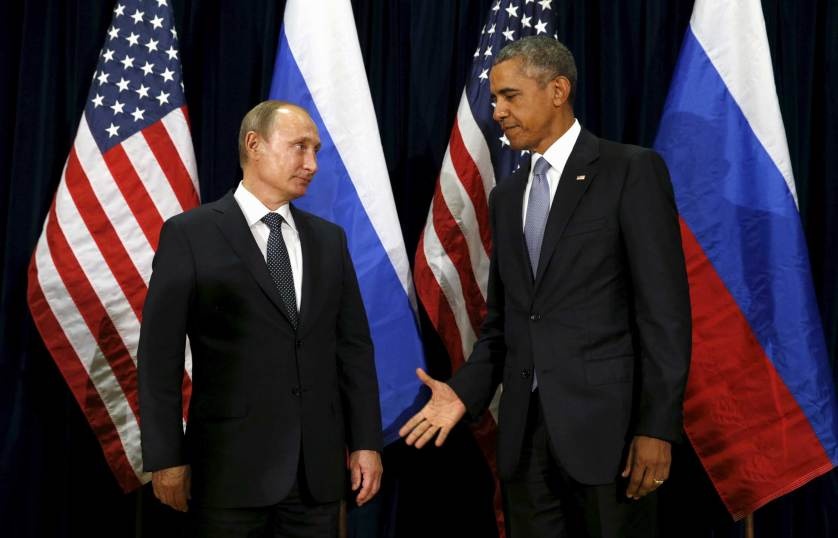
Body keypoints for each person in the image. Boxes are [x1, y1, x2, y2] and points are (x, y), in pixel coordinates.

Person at [400, 36, 691, 537]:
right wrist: (463, 393)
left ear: (558, 90)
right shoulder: (508, 196)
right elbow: (504, 325)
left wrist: (656, 428)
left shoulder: (629, 171)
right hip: (525, 442)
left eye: (509, 96)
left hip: (611, 439)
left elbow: (664, 314)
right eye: (495, 99)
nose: (497, 111)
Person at [138, 100, 383, 536]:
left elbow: (354, 350)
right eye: (300, 147)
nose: (312, 164)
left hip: (316, 478)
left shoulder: (329, 240)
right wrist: (166, 457)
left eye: (316, 151)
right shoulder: (189, 235)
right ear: (254, 144)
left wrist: (366, 442)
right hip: (227, 474)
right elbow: (160, 359)